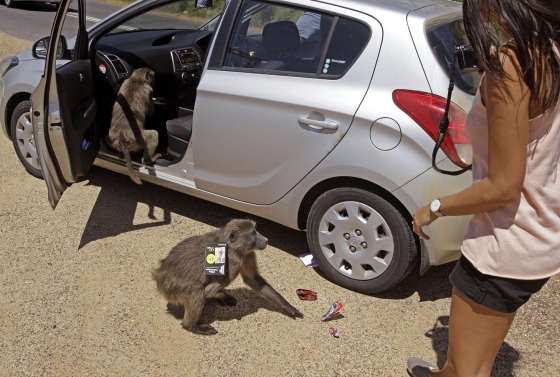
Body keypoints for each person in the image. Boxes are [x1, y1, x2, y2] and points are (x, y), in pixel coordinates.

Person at [407, 1, 560, 376]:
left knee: (467, 371)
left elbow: (504, 187)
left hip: (505, 244)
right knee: (465, 364)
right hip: (536, 235)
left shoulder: (514, 62)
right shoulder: (548, 48)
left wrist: (436, 207)